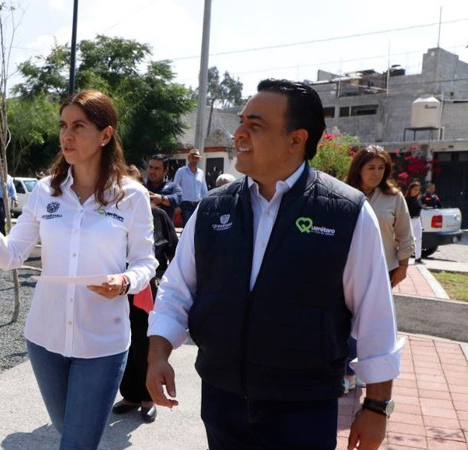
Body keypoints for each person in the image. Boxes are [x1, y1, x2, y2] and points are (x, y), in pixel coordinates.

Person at [147, 79, 402, 450]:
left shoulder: (345, 213)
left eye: (255, 124)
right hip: (222, 402)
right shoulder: (214, 208)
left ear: (296, 139)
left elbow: (376, 316)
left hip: (303, 409)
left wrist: (377, 406)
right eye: (241, 121)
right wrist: (158, 354)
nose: (239, 133)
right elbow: (176, 290)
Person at [0, 90, 157, 449]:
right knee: (69, 432)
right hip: (45, 341)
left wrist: (125, 281)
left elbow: (146, 262)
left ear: (105, 135)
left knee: (76, 443)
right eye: (63, 125)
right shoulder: (46, 191)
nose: (67, 135)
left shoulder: (132, 196)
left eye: (79, 125)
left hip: (102, 345)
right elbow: (10, 256)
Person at [112, 203, 177, 424]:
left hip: (149, 288)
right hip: (118, 289)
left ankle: (148, 398)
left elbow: (174, 253)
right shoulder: (114, 213)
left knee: (144, 342)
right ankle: (130, 395)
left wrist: (165, 282)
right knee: (123, 343)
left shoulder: (158, 216)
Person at [346, 146, 414, 288]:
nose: (376, 173)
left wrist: (403, 266)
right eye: (371, 168)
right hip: (347, 269)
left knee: (376, 310)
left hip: (383, 269)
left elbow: (405, 233)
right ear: (359, 169)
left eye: (381, 168)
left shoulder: (394, 197)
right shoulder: (342, 193)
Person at [172, 148, 208, 226]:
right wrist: (176, 206)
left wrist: (206, 203)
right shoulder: (181, 171)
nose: (194, 160)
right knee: (188, 226)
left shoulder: (201, 173)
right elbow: (175, 188)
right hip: (185, 205)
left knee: (197, 227)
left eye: (196, 158)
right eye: (192, 158)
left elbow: (204, 190)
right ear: (188, 158)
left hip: (197, 204)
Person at [144, 154, 182, 220]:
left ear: (165, 171)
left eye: (157, 169)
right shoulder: (142, 186)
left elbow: (177, 199)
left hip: (164, 228)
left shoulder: (173, 187)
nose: (152, 171)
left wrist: (162, 199)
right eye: (150, 167)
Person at [405, 181, 424, 264]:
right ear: (410, 190)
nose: (416, 191)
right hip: (409, 220)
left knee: (419, 238)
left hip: (417, 220)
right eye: (415, 189)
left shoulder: (418, 199)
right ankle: (405, 257)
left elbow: (420, 211)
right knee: (409, 239)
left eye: (418, 190)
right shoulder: (406, 200)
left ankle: (418, 257)